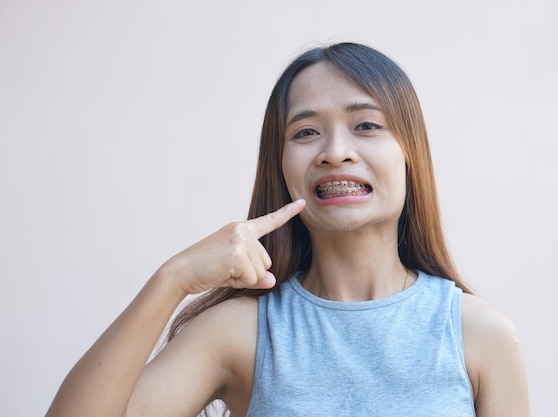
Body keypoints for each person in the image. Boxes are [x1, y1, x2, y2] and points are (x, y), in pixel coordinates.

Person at [46, 42, 530, 417]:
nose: (335, 151)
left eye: (366, 125)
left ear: (411, 156)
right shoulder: (240, 333)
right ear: (279, 167)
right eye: (305, 132)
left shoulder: (478, 334)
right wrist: (173, 278)